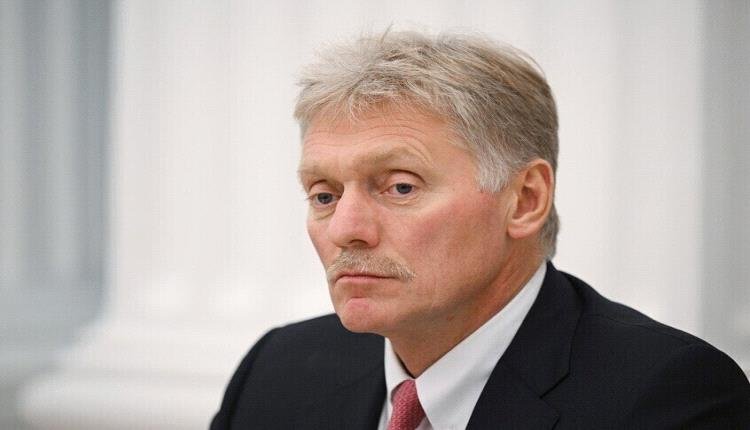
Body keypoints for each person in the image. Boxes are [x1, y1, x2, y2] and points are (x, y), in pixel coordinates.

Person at [211, 31, 750, 429]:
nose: (346, 230)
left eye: (400, 187)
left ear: (525, 200)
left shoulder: (669, 397)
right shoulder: (277, 370)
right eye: (325, 195)